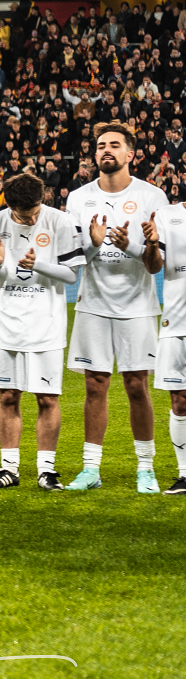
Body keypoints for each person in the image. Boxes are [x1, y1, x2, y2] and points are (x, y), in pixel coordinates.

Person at [65, 122, 169, 493]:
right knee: (95, 385)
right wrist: (93, 244)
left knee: (137, 385)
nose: (105, 150)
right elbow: (75, 262)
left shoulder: (153, 197)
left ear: (130, 154)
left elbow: (157, 266)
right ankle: (90, 469)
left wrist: (135, 247)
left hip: (138, 305)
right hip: (92, 303)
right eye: (100, 145)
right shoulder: (78, 198)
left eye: (114, 144)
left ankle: (146, 468)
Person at [0, 174, 86, 490]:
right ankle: (8, 469)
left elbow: (70, 275)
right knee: (8, 395)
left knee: (47, 398)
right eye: (26, 214)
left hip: (47, 325)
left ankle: (46, 471)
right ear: (9, 205)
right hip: (7, 325)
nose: (33, 217)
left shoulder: (60, 222)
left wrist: (37, 265)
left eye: (37, 209)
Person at [153, 200, 186, 494]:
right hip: (176, 323)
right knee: (180, 401)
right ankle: (185, 474)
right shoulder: (168, 215)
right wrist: (151, 244)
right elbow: (153, 266)